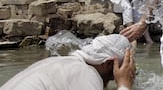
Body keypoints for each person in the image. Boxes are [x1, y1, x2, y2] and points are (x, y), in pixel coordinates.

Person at [0, 34, 135, 90]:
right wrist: (124, 85)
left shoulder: (58, 61)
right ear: (108, 63)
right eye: (123, 66)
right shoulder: (87, 74)